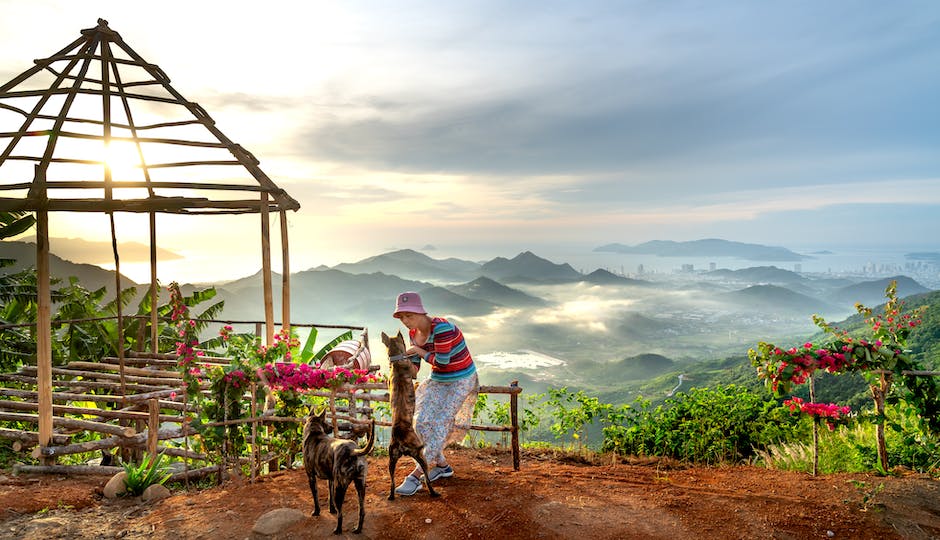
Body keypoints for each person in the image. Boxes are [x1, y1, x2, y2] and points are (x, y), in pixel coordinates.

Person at [391, 291, 478, 496]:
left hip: (461, 379)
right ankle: (442, 467)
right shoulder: (414, 335)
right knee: (420, 421)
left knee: (439, 423)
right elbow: (414, 371)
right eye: (401, 317)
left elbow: (442, 361)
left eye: (409, 315)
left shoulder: (442, 329)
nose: (405, 320)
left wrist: (417, 351)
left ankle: (416, 475)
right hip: (439, 379)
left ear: (421, 312)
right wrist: (400, 360)